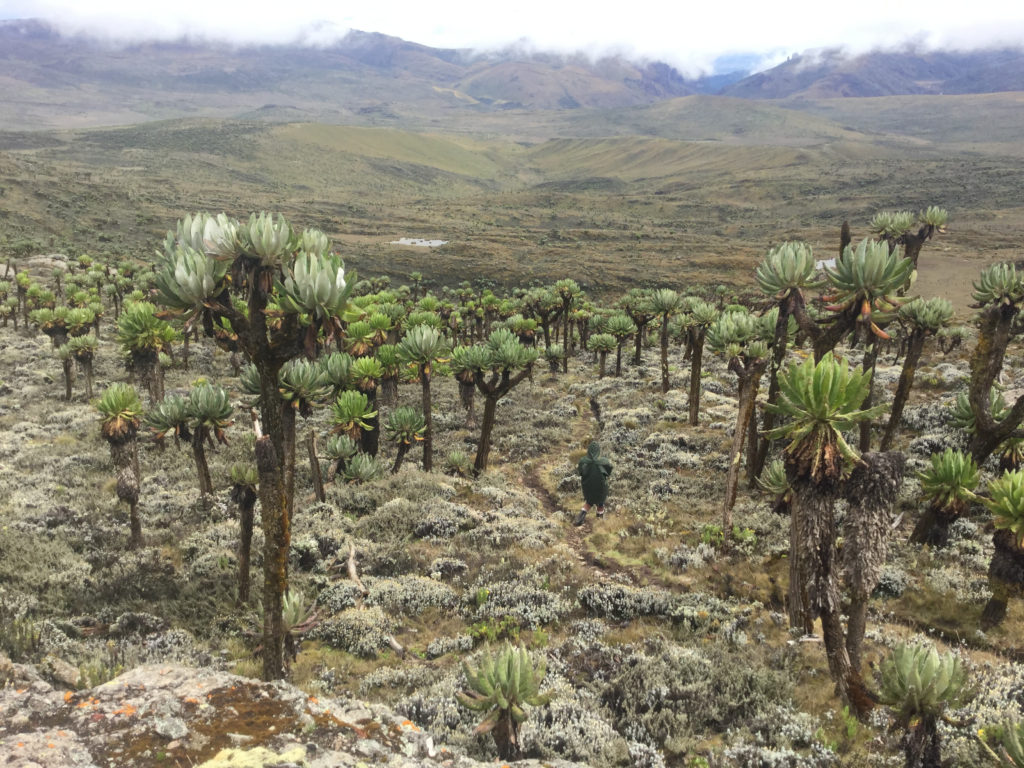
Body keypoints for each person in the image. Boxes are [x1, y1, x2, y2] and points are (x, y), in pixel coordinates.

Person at [574, 441, 612, 526]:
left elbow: (580, 472)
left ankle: (580, 518)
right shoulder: (603, 461)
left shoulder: (583, 461)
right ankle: (600, 520)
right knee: (601, 501)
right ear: (598, 451)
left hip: (587, 488)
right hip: (601, 488)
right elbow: (609, 469)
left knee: (589, 502)